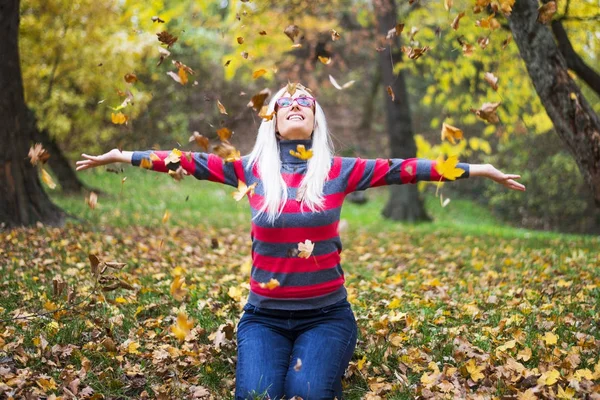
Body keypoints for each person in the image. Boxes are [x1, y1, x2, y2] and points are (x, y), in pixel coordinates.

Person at [76, 83, 525, 400]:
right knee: (256, 396)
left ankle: (319, 364)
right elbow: (187, 161)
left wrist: (478, 169)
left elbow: (407, 167)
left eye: (304, 102)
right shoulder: (250, 170)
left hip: (327, 316)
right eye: (285, 102)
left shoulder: (340, 170)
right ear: (272, 120)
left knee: (305, 395)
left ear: (314, 119)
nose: (295, 104)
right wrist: (125, 156)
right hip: (263, 318)